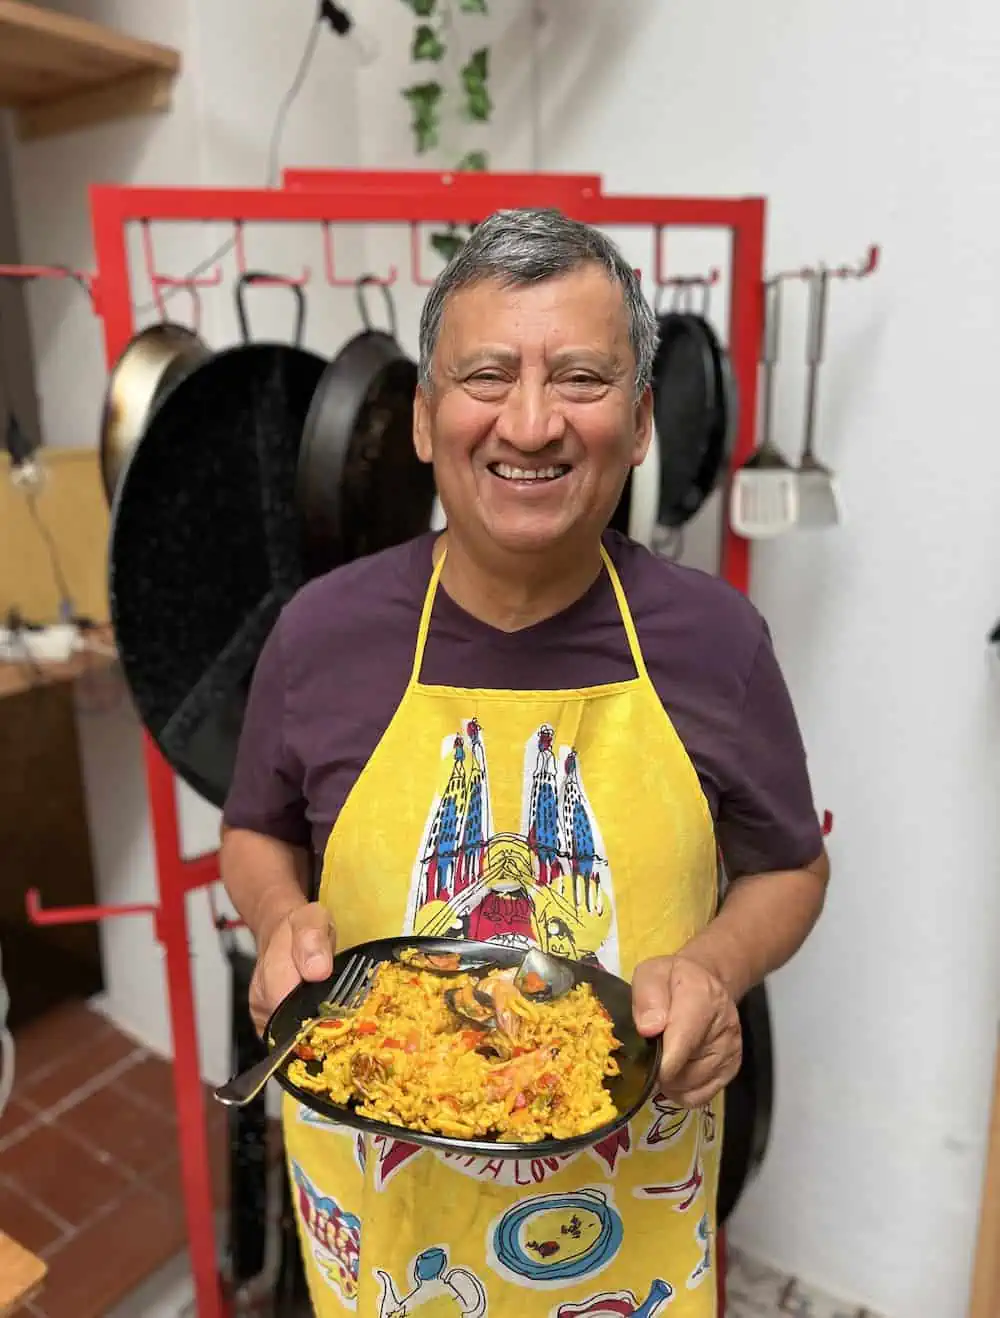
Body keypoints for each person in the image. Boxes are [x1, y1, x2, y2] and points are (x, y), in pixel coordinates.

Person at [221, 207, 829, 1317]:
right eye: (488, 374)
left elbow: (791, 866)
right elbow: (255, 827)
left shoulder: (715, 642)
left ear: (640, 421)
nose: (533, 422)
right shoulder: (322, 633)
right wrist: (276, 918)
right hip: (384, 1233)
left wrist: (715, 970)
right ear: (422, 417)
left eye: (584, 379)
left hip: (625, 1234)